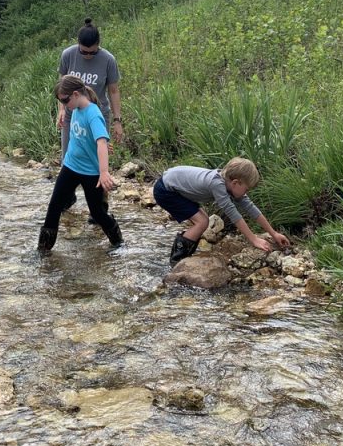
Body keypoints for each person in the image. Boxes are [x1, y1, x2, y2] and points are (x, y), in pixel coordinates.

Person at [38, 76, 123, 253]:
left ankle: (118, 242)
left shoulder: (93, 114)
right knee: (54, 206)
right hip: (70, 166)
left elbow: (101, 142)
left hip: (91, 173)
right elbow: (87, 139)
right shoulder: (75, 108)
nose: (63, 104)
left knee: (97, 213)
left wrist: (104, 172)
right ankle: (43, 251)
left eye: (64, 100)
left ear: (76, 94)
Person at [153, 157, 290, 265]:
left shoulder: (229, 183)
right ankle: (177, 261)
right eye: (247, 189)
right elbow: (233, 214)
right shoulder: (217, 184)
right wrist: (253, 239)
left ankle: (184, 255)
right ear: (235, 183)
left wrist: (274, 233)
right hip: (165, 190)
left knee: (203, 220)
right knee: (202, 222)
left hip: (175, 186)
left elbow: (250, 208)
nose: (246, 193)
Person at [58, 19, 122, 214]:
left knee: (98, 162)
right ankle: (67, 198)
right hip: (71, 116)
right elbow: (62, 87)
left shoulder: (108, 59)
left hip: (97, 116)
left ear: (98, 45)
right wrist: (61, 109)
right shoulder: (68, 55)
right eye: (83, 51)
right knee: (68, 155)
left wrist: (118, 121)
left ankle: (100, 205)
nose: (86, 55)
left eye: (91, 52)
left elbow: (113, 91)